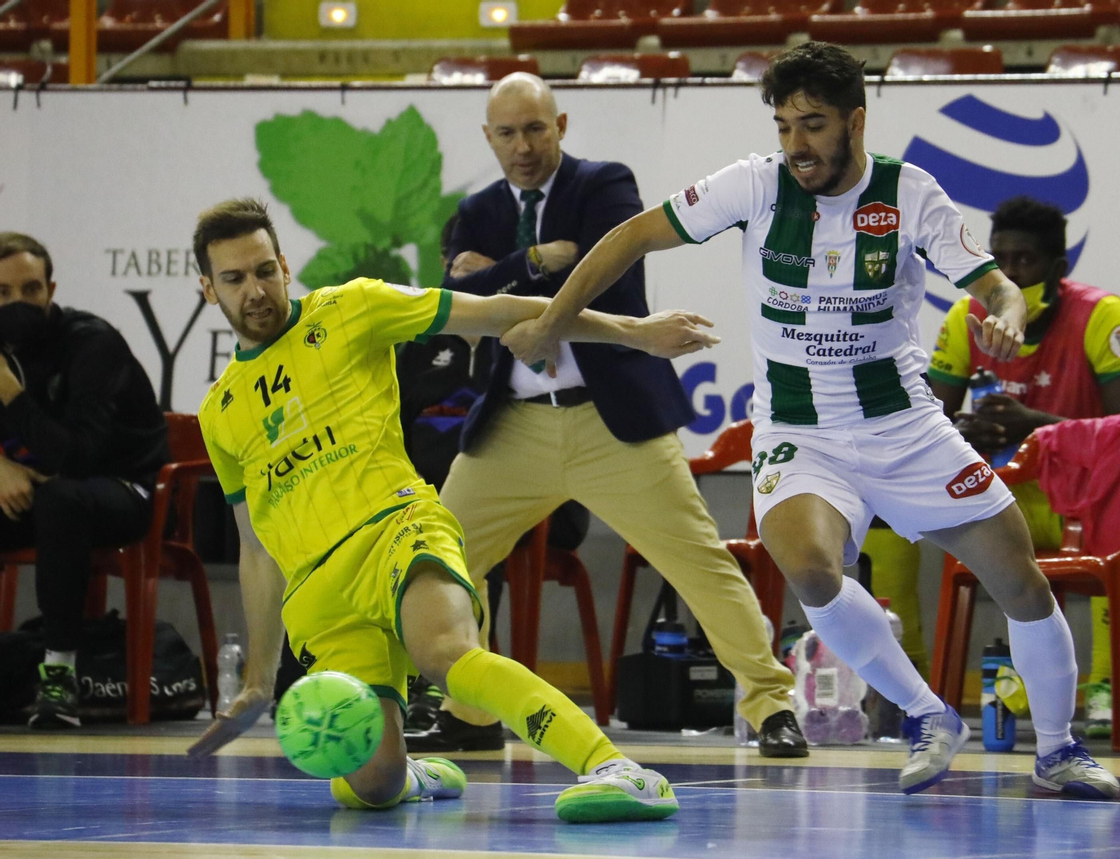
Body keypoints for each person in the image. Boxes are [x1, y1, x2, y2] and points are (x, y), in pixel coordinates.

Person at [503, 42, 1120, 799]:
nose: (796, 144)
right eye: (785, 124)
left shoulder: (911, 193)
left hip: (904, 425)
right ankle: (929, 715)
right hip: (802, 431)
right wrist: (555, 322)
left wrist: (1011, 313)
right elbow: (633, 235)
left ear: (855, 121)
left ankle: (1057, 749)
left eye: (814, 124)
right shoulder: (755, 187)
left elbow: (997, 289)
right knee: (810, 567)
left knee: (1020, 580)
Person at [185, 198, 717, 821]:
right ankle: (410, 774)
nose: (255, 290)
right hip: (319, 594)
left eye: (263, 271)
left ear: (284, 265)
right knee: (372, 786)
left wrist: (633, 333)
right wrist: (256, 679)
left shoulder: (351, 308)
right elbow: (254, 550)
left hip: (395, 528)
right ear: (207, 289)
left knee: (446, 652)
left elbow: (499, 311)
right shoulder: (218, 414)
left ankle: (617, 769)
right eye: (233, 278)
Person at [427, 72, 806, 757]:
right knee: (441, 557)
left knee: (698, 559)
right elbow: (459, 306)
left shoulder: (604, 185)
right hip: (513, 423)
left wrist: (505, 281)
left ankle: (771, 704)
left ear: (562, 125)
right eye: (507, 133)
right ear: (488, 138)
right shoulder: (476, 210)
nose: (523, 146)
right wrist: (535, 260)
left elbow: (606, 280)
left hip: (611, 418)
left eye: (536, 129)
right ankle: (469, 711)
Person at [878, 195, 1120, 738]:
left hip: (1079, 500)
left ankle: (1102, 686)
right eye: (998, 259)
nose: (1009, 273)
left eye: (1023, 261)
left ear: (1059, 269)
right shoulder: (966, 315)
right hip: (1001, 497)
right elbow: (927, 417)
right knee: (887, 520)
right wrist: (961, 430)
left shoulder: (1103, 315)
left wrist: (1036, 426)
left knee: (1112, 521)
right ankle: (908, 691)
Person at [393, 215, 591, 740]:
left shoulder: (545, 328)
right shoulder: (417, 342)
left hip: (539, 498)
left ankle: (446, 693)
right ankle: (409, 684)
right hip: (429, 499)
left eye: (491, 263)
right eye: (463, 264)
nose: (476, 274)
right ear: (444, 269)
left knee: (464, 528)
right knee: (429, 527)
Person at [0, 232, 169, 730]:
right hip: (39, 487)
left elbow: (76, 455)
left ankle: (60, 677)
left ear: (51, 289)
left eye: (30, 290)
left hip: (126, 489)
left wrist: (12, 398)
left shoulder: (91, 342)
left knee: (61, 498)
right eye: (3, 293)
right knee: (52, 497)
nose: (18, 303)